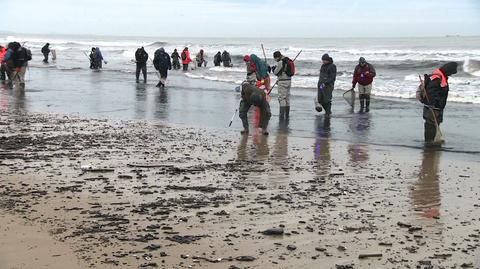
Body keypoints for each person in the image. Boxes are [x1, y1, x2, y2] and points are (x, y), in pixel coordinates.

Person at [420, 62, 457, 144]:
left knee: (434, 125)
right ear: (448, 70)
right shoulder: (436, 78)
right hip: (432, 108)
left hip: (436, 107)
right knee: (431, 125)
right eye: (451, 72)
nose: (451, 74)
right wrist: (434, 107)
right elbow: (431, 94)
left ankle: (431, 143)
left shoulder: (441, 77)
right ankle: (429, 144)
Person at [272, 51, 294, 121]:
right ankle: (287, 114)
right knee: (287, 98)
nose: (275, 60)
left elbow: (276, 72)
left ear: (277, 57)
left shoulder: (280, 62)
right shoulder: (287, 60)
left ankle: (281, 115)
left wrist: (273, 69)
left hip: (282, 82)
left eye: (275, 58)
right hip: (289, 81)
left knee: (282, 98)